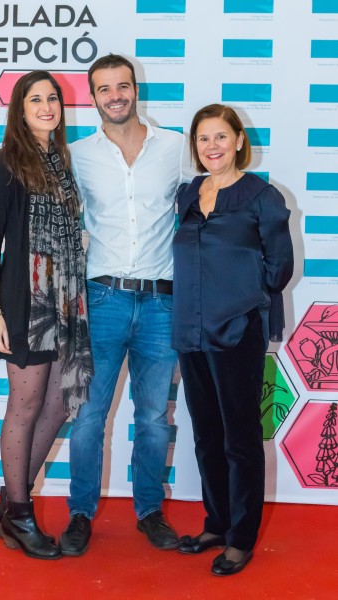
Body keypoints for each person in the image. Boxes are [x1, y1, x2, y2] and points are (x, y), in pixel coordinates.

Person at [59, 54, 191, 556]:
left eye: (123, 86)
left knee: (154, 417)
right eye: (104, 89)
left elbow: (211, 196)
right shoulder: (78, 155)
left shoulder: (176, 148)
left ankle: (150, 511)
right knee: (89, 416)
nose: (115, 96)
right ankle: (80, 514)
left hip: (162, 302)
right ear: (93, 97)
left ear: (136, 89)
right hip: (102, 300)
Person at [172, 104, 294, 575]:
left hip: (238, 331)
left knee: (240, 439)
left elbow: (279, 269)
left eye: (221, 136)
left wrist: (240, 299)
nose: (212, 146)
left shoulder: (262, 196)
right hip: (190, 330)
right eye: (203, 138)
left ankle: (241, 538)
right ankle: (217, 523)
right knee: (206, 435)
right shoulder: (188, 193)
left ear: (239, 140)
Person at [0, 70, 93, 560]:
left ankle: (11, 502)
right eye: (35, 100)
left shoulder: (63, 163)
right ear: (20, 111)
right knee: (24, 405)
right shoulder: (6, 163)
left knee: (60, 402)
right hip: (26, 301)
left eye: (53, 98)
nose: (47, 106)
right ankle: (21, 513)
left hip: (66, 298)